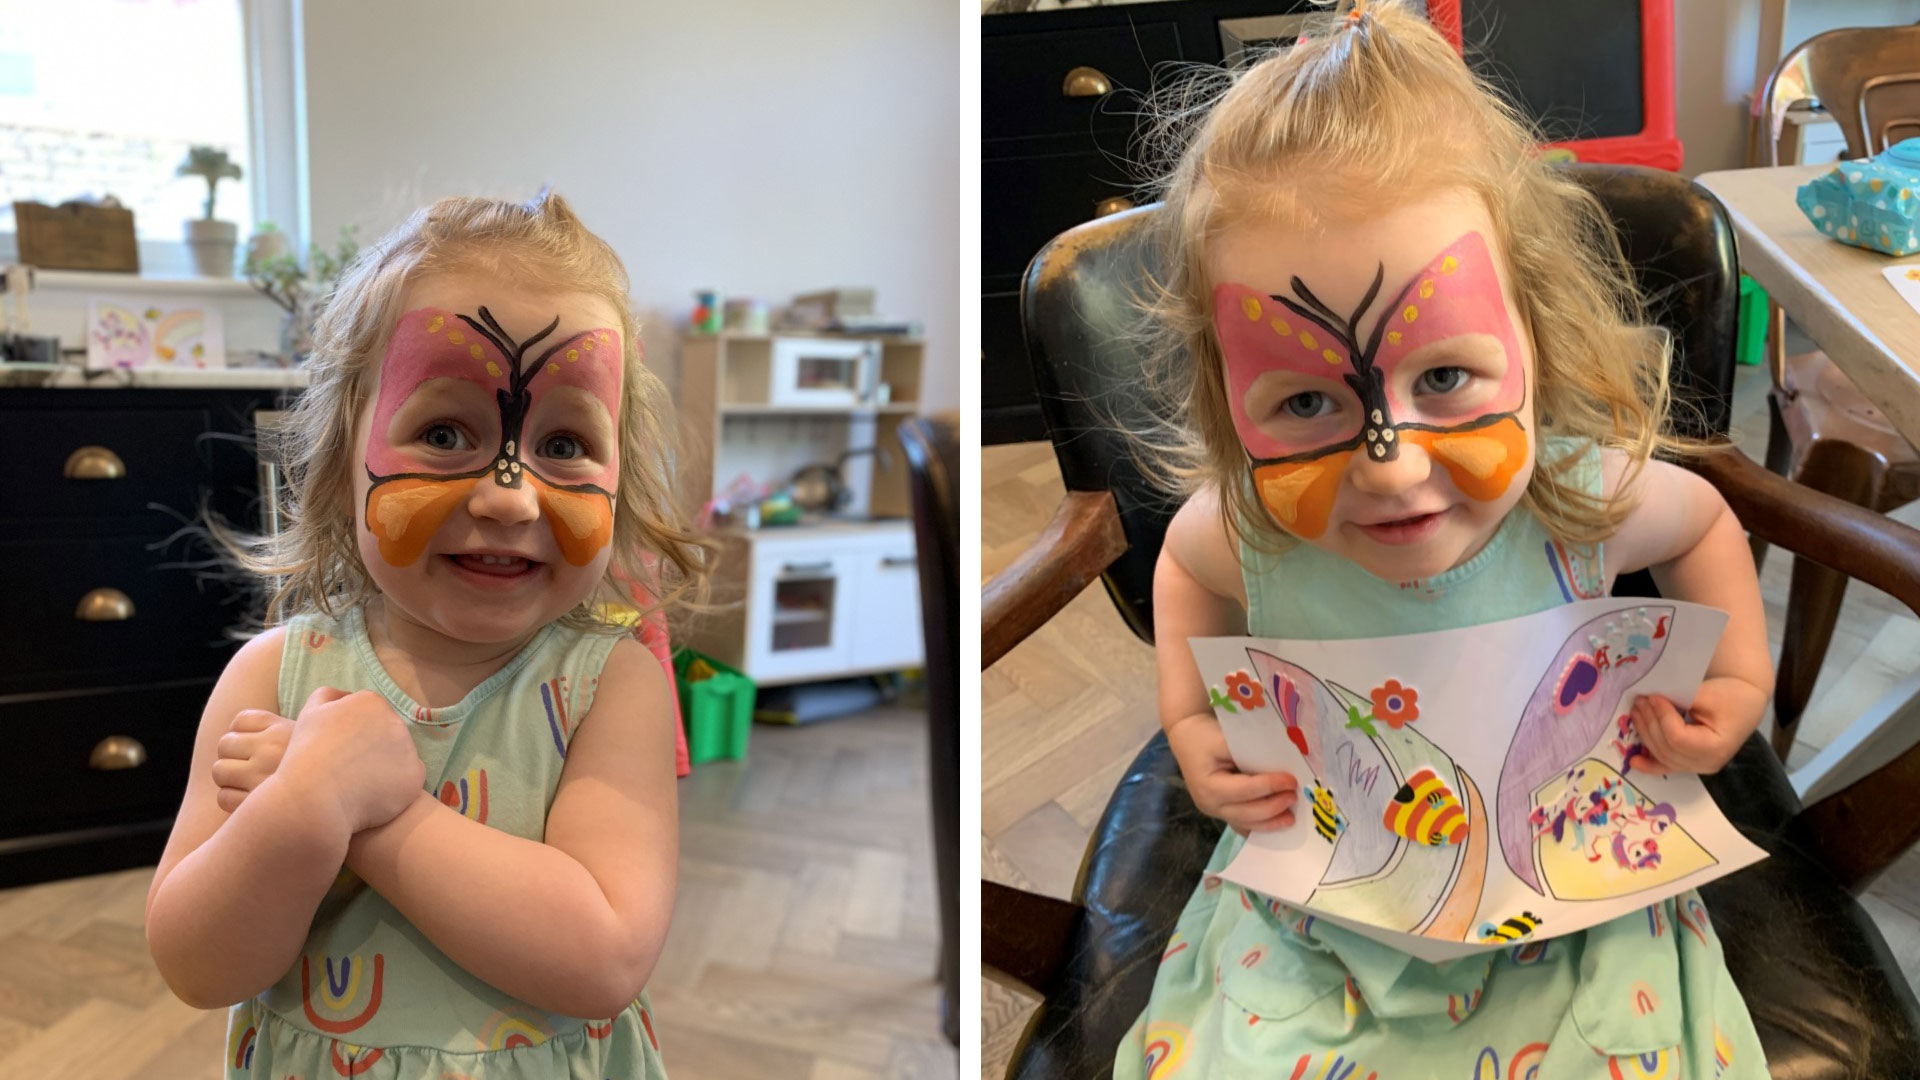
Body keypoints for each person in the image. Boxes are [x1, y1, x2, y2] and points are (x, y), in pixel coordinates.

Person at [1116, 3, 1773, 1076]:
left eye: (1446, 379)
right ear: (1224, 395)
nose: (1391, 464)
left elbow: (1702, 519)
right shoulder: (1251, 535)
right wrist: (1190, 723)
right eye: (1303, 406)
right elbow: (1182, 575)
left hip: (1571, 905)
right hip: (1326, 919)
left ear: (1536, 333)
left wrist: (1738, 682)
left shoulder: (1573, 494)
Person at [144, 191, 706, 1079]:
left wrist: (374, 816)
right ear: (338, 467)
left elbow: (603, 957)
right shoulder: (272, 678)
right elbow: (196, 964)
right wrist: (301, 813)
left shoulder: (611, 685)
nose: (511, 494)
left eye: (565, 445)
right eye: (444, 433)